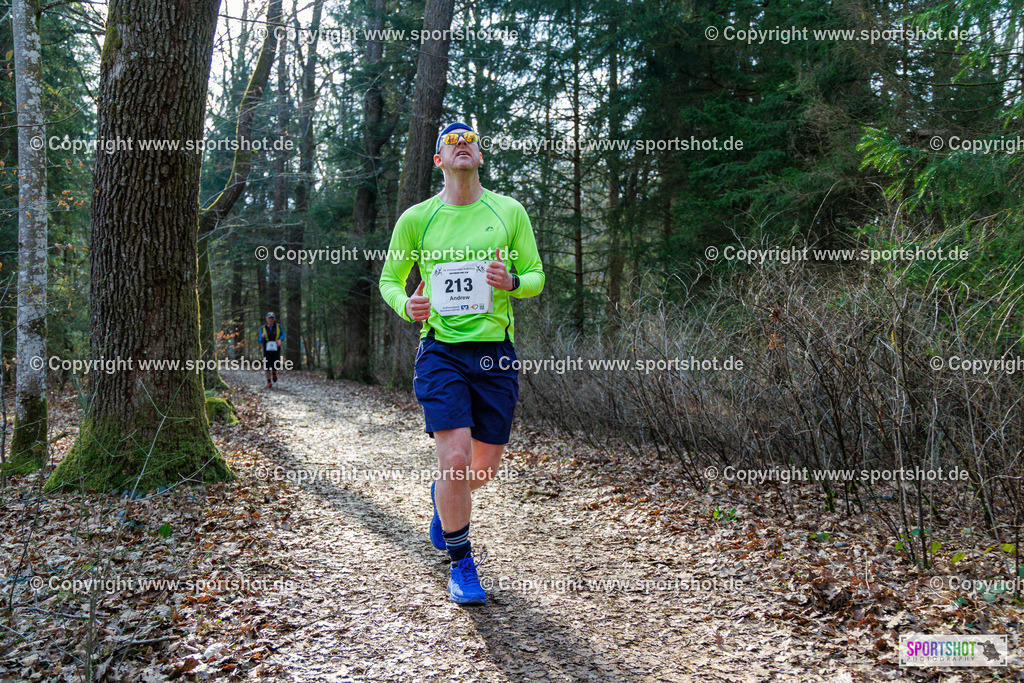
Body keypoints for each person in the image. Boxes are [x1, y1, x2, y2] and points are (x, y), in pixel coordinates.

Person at [379, 121, 544, 605]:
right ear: (438, 161)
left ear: (480, 154)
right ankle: (461, 562)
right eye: (450, 141)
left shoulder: (508, 211)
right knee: (453, 460)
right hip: (441, 351)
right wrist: (406, 305)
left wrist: (513, 281)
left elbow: (535, 276)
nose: (462, 144)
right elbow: (390, 278)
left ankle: (445, 501)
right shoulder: (417, 218)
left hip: (495, 351)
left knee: (482, 468)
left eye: (469, 138)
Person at [258, 312, 285, 389]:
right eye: (269, 318)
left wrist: (280, 339)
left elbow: (283, 334)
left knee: (276, 364)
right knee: (267, 366)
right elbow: (259, 340)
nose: (271, 320)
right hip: (267, 349)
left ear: (274, 319)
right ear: (266, 319)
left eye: (272, 318)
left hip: (276, 348)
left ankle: (274, 373)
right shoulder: (263, 328)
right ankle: (269, 382)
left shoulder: (279, 327)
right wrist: (262, 337)